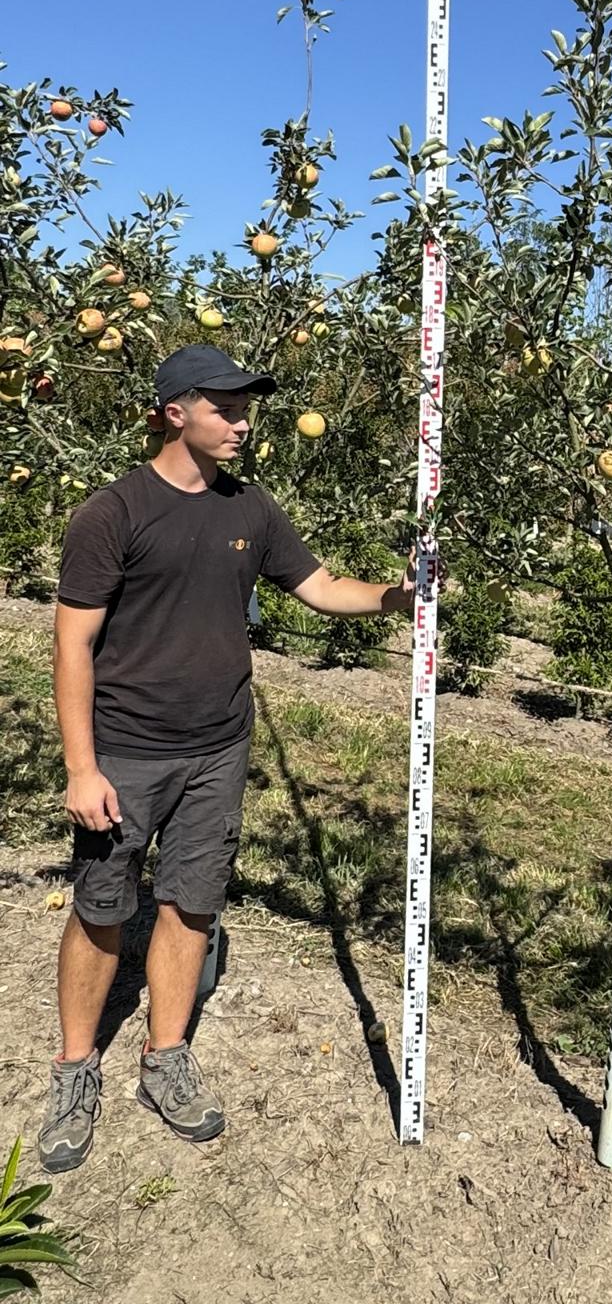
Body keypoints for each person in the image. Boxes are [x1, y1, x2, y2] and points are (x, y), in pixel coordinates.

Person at [38, 344, 418, 1174]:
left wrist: (396, 599)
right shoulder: (113, 514)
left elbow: (319, 588)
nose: (243, 423)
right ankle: (74, 1069)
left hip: (218, 746)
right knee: (104, 907)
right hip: (128, 749)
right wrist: (81, 766)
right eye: (226, 408)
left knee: (191, 903)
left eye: (247, 410)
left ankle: (164, 1057)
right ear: (176, 412)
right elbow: (72, 647)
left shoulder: (252, 509)